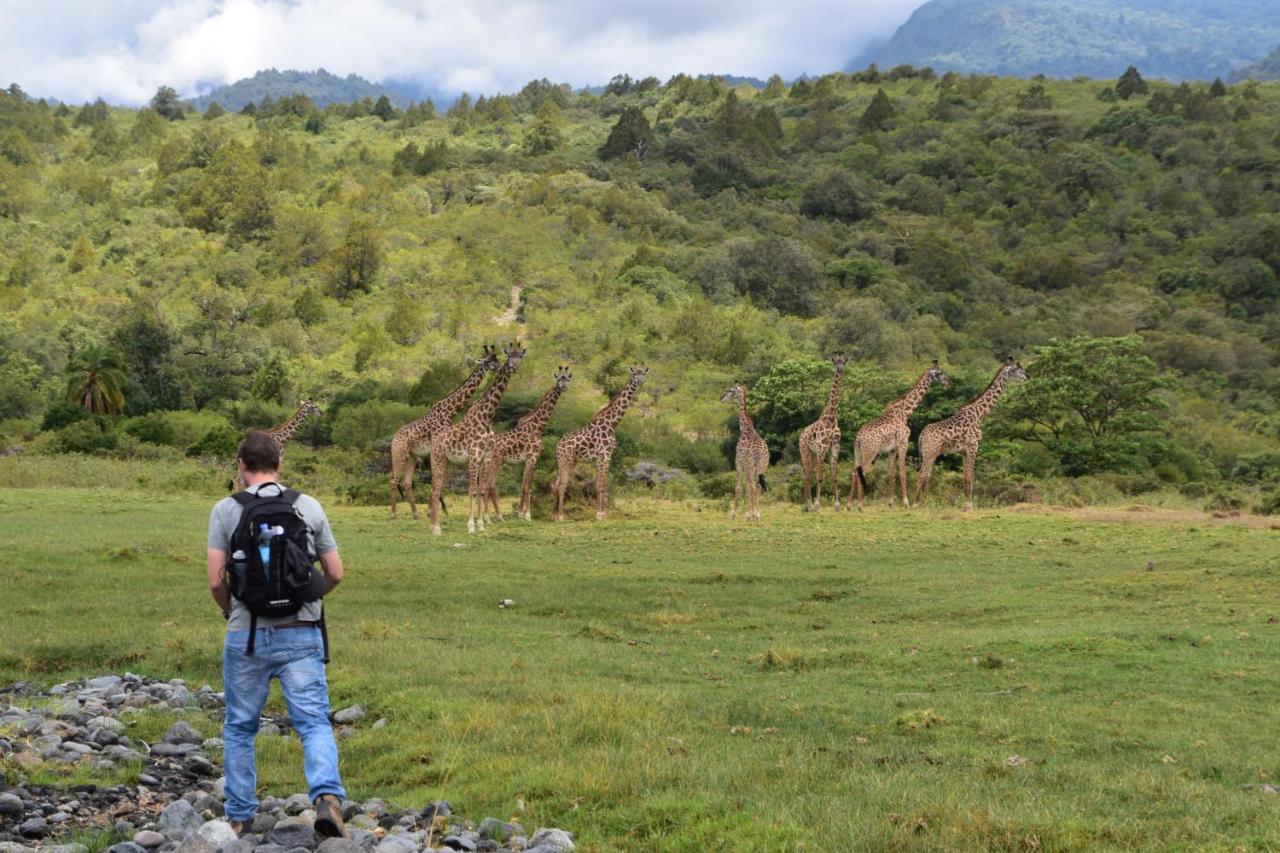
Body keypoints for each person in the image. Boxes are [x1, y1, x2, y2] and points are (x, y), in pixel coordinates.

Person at [206, 430, 348, 838]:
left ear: (240, 466)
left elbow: (217, 582)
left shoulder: (225, 510)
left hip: (246, 634)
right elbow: (335, 572)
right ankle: (326, 798)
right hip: (302, 631)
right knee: (313, 722)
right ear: (279, 463)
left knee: (239, 726)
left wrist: (229, 611)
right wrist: (313, 601)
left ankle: (239, 816)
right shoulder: (308, 505)